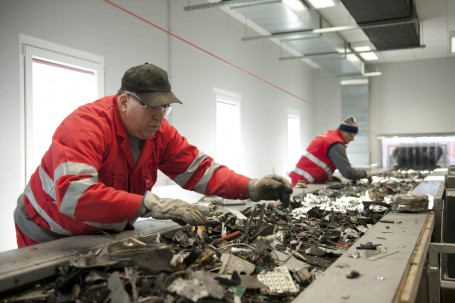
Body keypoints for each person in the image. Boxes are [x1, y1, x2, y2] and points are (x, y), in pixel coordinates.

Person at [14, 63, 293, 248]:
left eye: (165, 108)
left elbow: (200, 171)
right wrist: (150, 204)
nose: (159, 116)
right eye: (152, 107)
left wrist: (251, 187)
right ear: (124, 101)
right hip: (45, 234)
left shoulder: (159, 133)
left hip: (98, 236)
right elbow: (75, 195)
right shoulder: (86, 126)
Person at [289, 117, 371, 186]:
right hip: (302, 183)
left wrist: (328, 177)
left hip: (301, 179)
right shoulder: (335, 144)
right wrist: (366, 174)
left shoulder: (330, 136)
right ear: (343, 131)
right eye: (351, 135)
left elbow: (321, 161)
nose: (353, 139)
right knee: (299, 200)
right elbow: (347, 172)